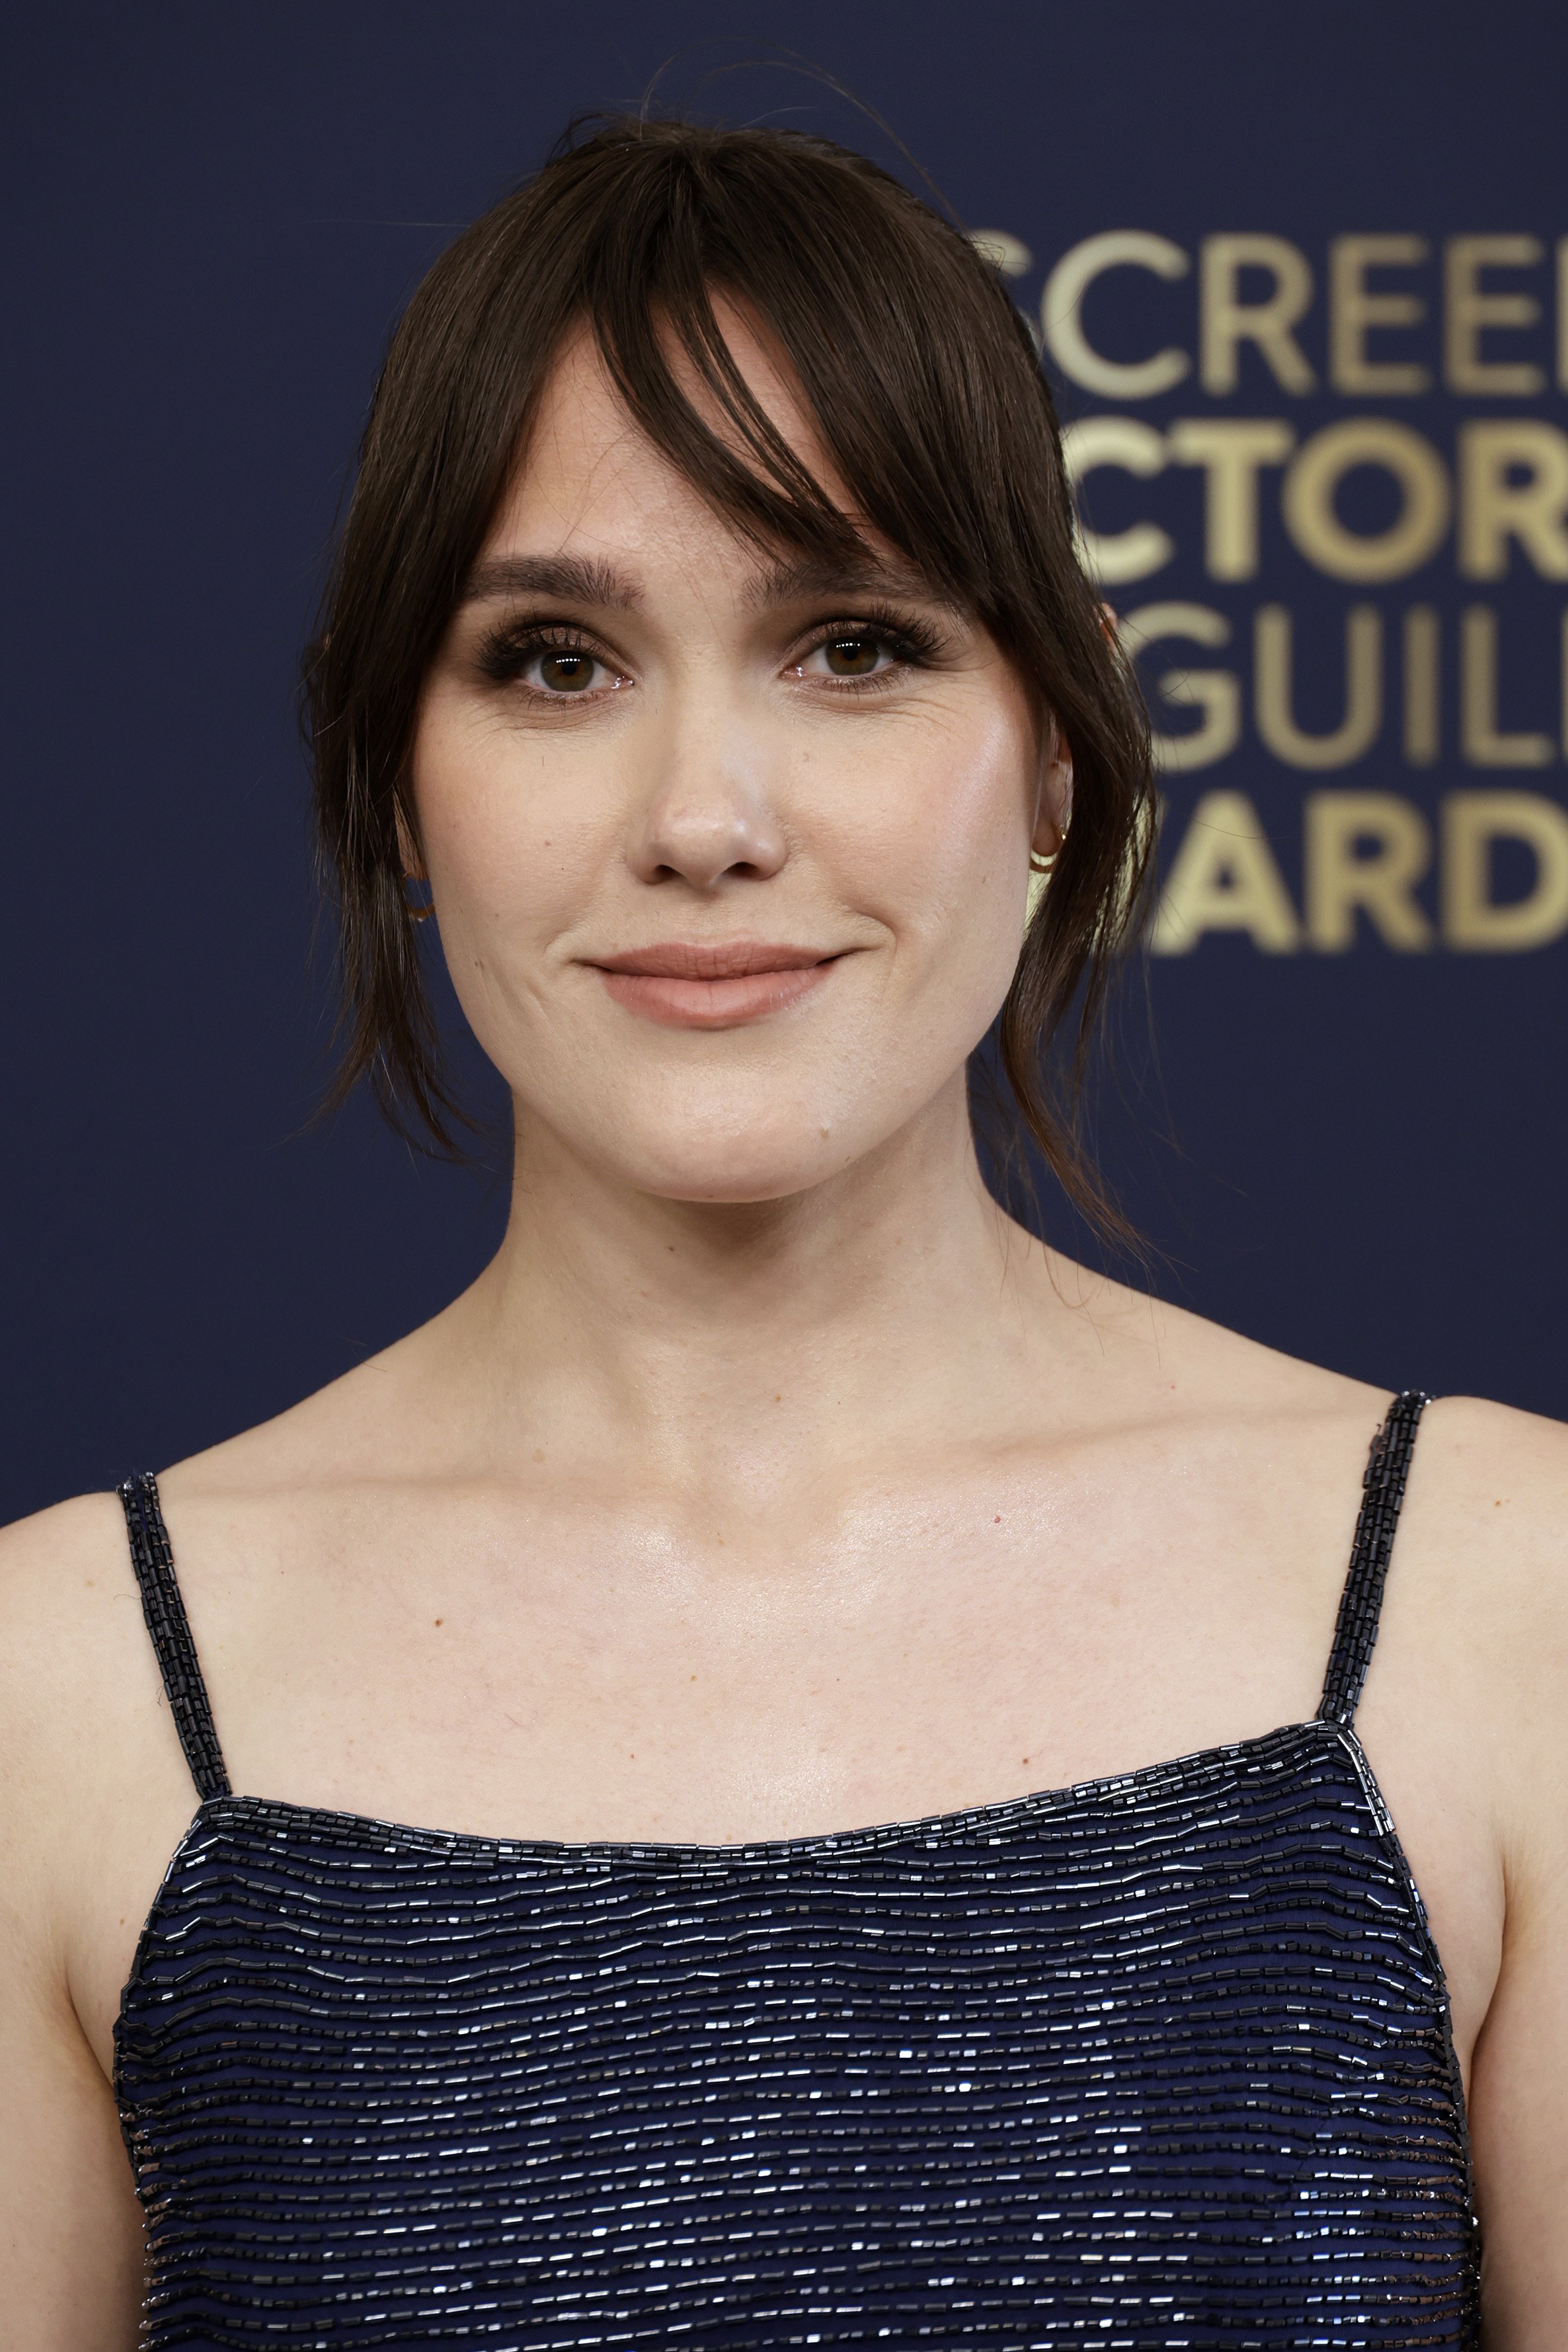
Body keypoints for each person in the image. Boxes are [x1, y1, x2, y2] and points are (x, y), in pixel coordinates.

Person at [1, 112, 1562, 2351]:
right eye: (552, 660)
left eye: (851, 644)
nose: (705, 820)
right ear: (395, 773)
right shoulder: (54, 1696)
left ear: (1052, 744)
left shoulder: (1506, 1607)